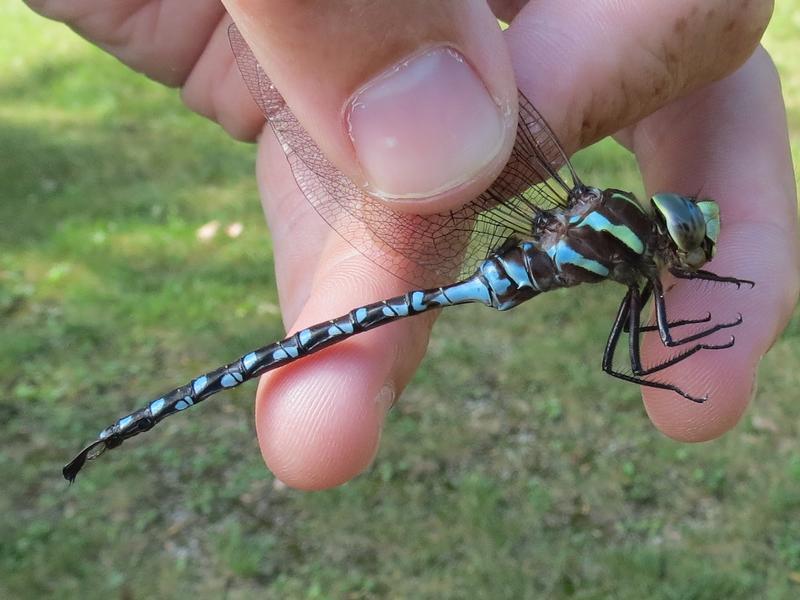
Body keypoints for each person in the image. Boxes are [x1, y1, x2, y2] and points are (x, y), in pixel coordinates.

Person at [26, 0, 797, 490]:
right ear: (667, 239)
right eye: (691, 244)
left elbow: (645, 330)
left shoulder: (625, 240)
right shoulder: (637, 255)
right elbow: (631, 350)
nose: (690, 252)